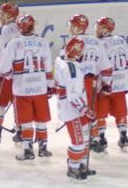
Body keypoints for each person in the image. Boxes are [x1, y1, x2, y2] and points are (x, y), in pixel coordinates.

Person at [0, 14, 53, 160]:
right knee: (41, 119)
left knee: (26, 121)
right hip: (40, 88)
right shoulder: (42, 42)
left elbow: (3, 69)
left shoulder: (14, 43)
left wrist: (10, 75)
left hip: (22, 89)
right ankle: (43, 148)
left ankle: (28, 150)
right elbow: (48, 67)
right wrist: (50, 85)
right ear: (34, 26)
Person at [67, 14, 112, 153]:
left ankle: (86, 141)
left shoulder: (73, 42)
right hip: (92, 81)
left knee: (81, 111)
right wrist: (106, 83)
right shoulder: (96, 41)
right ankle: (96, 138)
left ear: (76, 27)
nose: (70, 29)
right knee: (91, 110)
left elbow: (66, 65)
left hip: (77, 82)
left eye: (71, 26)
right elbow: (106, 66)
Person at [54, 37, 94, 180]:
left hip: (71, 106)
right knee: (78, 141)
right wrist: (85, 109)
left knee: (84, 135)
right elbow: (72, 95)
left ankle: (81, 163)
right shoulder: (72, 69)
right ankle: (73, 167)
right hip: (72, 109)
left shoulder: (60, 60)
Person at [94, 17, 128, 151]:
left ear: (105, 29)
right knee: (120, 112)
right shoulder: (121, 40)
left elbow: (98, 66)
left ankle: (102, 138)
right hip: (121, 83)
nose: (96, 29)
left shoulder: (98, 43)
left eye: (99, 27)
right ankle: (123, 135)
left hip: (105, 84)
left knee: (100, 114)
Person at [0, 2, 20, 146]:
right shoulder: (22, 28)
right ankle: (21, 132)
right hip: (21, 73)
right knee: (18, 103)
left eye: (2, 14)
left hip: (6, 73)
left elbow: (4, 54)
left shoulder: (4, 30)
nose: (0, 17)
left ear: (8, 15)